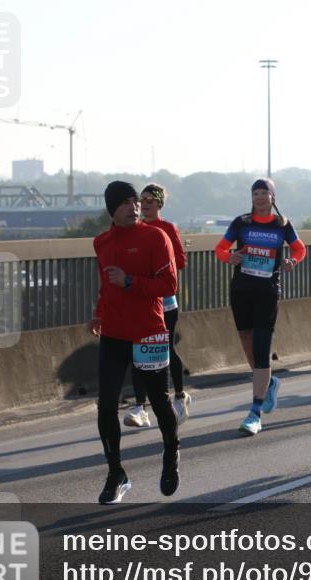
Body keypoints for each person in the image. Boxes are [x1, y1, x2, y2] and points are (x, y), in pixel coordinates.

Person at [88, 181, 180, 504]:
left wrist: (130, 282)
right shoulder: (101, 243)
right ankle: (116, 473)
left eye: (135, 201)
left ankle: (171, 452)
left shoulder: (156, 237)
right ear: (112, 209)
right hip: (113, 334)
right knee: (107, 406)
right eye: (125, 202)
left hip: (149, 331)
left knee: (158, 401)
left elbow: (169, 284)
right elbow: (105, 286)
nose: (133, 206)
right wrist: (99, 314)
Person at [216, 178, 306, 435]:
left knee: (261, 346)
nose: (259, 198)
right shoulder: (241, 222)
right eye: (255, 193)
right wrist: (228, 256)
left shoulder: (282, 225)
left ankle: (255, 412)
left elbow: (299, 250)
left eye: (264, 193)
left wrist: (292, 262)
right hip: (241, 290)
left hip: (267, 292)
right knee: (246, 339)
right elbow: (220, 248)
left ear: (273, 197)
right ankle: (268, 384)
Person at [124, 183, 191, 428]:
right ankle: (139, 407)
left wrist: (160, 259)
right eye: (142, 199)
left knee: (165, 350)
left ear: (159, 203)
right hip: (140, 300)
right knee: (137, 353)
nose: (146, 203)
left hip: (165, 302)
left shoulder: (167, 228)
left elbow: (180, 262)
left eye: (151, 199)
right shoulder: (133, 229)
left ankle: (180, 396)